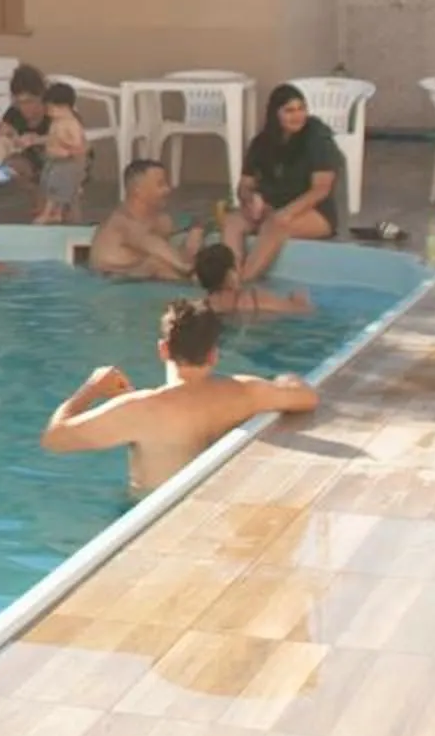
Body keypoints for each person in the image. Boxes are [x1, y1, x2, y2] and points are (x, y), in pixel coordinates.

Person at [37, 300, 320, 493]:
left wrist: (92, 387)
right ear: (213, 354)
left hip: (146, 517)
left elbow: (54, 439)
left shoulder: (139, 409)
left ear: (163, 349)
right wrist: (285, 380)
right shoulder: (245, 392)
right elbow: (308, 398)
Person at [236, 83, 342, 283]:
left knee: (276, 224)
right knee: (233, 221)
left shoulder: (316, 137)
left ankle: (245, 280)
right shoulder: (261, 142)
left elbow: (321, 189)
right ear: (275, 114)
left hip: (314, 211)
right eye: (289, 111)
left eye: (301, 109)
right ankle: (229, 277)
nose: (297, 116)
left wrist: (286, 213)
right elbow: (244, 186)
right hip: (272, 208)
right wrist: (251, 200)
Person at [88, 158, 223, 280]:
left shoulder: (160, 220)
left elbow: (196, 221)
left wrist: (196, 231)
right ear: (138, 190)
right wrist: (186, 265)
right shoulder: (122, 222)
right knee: (154, 265)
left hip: (142, 285)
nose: (168, 190)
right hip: (111, 284)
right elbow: (149, 243)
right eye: (161, 184)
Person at [8, 70, 91, 224]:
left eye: (29, 101)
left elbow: (81, 147)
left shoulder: (67, 118)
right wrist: (19, 141)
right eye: (19, 102)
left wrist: (79, 176)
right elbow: (0, 140)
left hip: (67, 163)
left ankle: (66, 220)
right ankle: (42, 204)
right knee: (50, 191)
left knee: (66, 198)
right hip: (48, 163)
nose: (24, 107)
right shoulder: (15, 113)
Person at [192, 242, 315, 318]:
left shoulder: (198, 308)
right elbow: (304, 311)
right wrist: (299, 301)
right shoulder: (255, 300)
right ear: (231, 275)